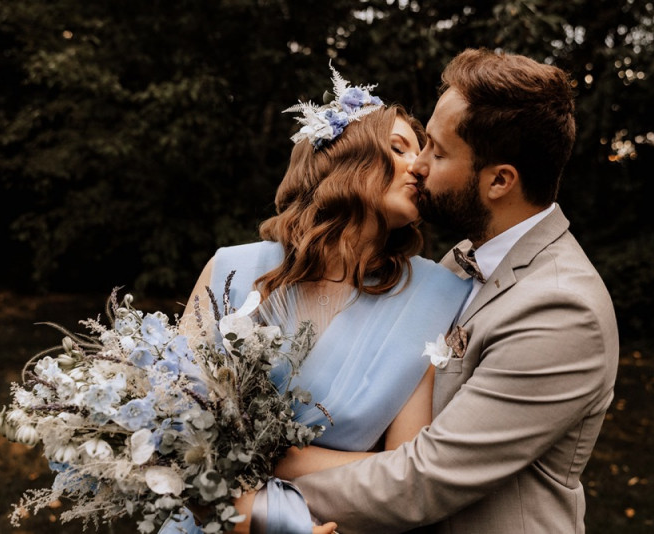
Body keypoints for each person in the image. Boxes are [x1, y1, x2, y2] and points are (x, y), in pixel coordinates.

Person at [272, 47, 619, 533]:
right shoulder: (457, 262)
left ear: (500, 181)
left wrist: (260, 478)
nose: (418, 166)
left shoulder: (561, 309)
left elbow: (422, 478)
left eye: (437, 150)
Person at [158, 65, 473, 534]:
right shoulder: (231, 269)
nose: (420, 167)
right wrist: (254, 516)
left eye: (423, 153)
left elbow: (405, 469)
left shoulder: (436, 296)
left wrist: (272, 464)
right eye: (398, 149)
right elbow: (170, 425)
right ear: (346, 158)